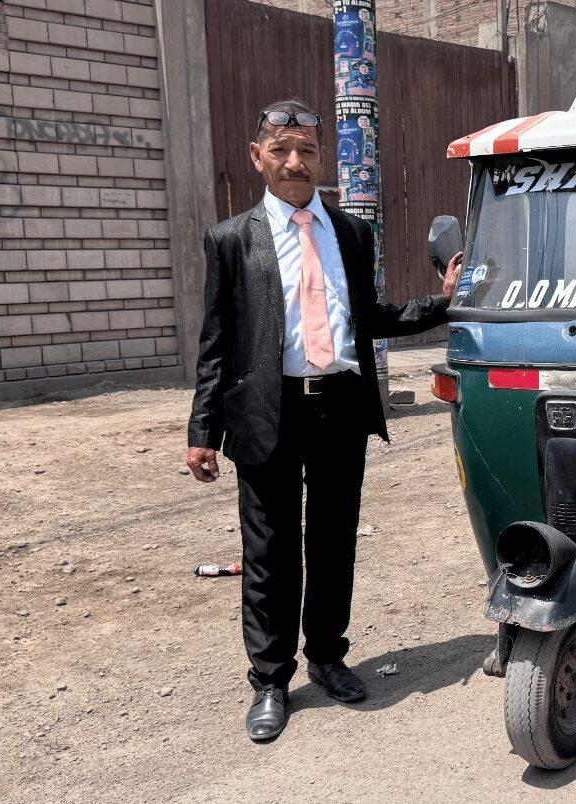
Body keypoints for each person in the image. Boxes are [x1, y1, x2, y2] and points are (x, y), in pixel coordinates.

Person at [185, 97, 461, 742]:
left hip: (339, 404)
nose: (294, 162)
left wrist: (441, 303)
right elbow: (216, 342)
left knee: (334, 540)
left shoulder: (352, 233)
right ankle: (270, 680)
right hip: (266, 411)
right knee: (270, 550)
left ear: (320, 159)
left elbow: (370, 317)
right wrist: (202, 432)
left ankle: (329, 657)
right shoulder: (232, 240)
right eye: (280, 150)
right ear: (257, 158)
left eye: (306, 150)